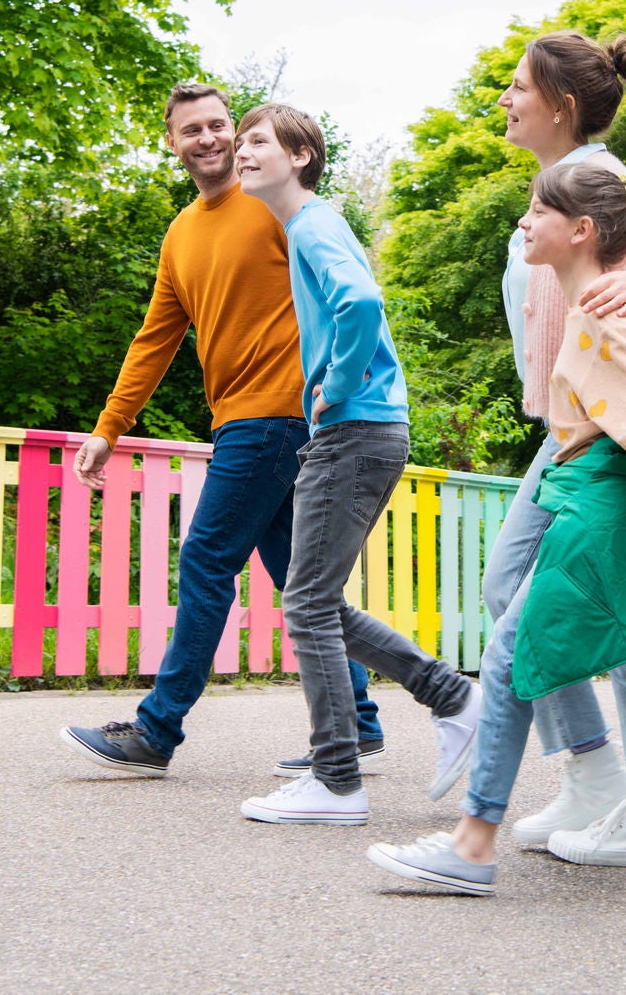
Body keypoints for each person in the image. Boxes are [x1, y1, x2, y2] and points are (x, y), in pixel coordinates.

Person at [367, 162, 626, 904]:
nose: (523, 222)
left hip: (603, 516)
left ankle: (472, 845)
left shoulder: (598, 314)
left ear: (580, 231)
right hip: (623, 507)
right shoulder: (614, 309)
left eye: (536, 211)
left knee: (514, 656)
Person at [59, 83, 384, 780]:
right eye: (191, 130)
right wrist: (108, 428)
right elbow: (155, 338)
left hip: (275, 417)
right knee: (300, 578)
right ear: (173, 143)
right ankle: (358, 720)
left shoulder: (271, 201)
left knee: (206, 558)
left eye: (218, 126)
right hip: (243, 418)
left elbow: (348, 286)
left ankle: (156, 729)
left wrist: (345, 382)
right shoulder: (181, 234)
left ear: (236, 136)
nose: (208, 139)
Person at [231, 104, 482, 827]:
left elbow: (364, 302)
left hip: (355, 427)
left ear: (301, 155)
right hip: (363, 429)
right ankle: (450, 694)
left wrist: (335, 384)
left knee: (307, 603)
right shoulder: (307, 225)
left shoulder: (312, 224)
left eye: (257, 141)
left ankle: (337, 779)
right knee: (319, 600)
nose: (243, 152)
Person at [486, 30, 626, 868]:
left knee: (625, 614)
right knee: (509, 586)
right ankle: (597, 773)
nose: (504, 100)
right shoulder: (558, 185)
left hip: (614, 428)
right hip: (567, 431)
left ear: (561, 106)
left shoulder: (604, 180)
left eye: (516, 87)